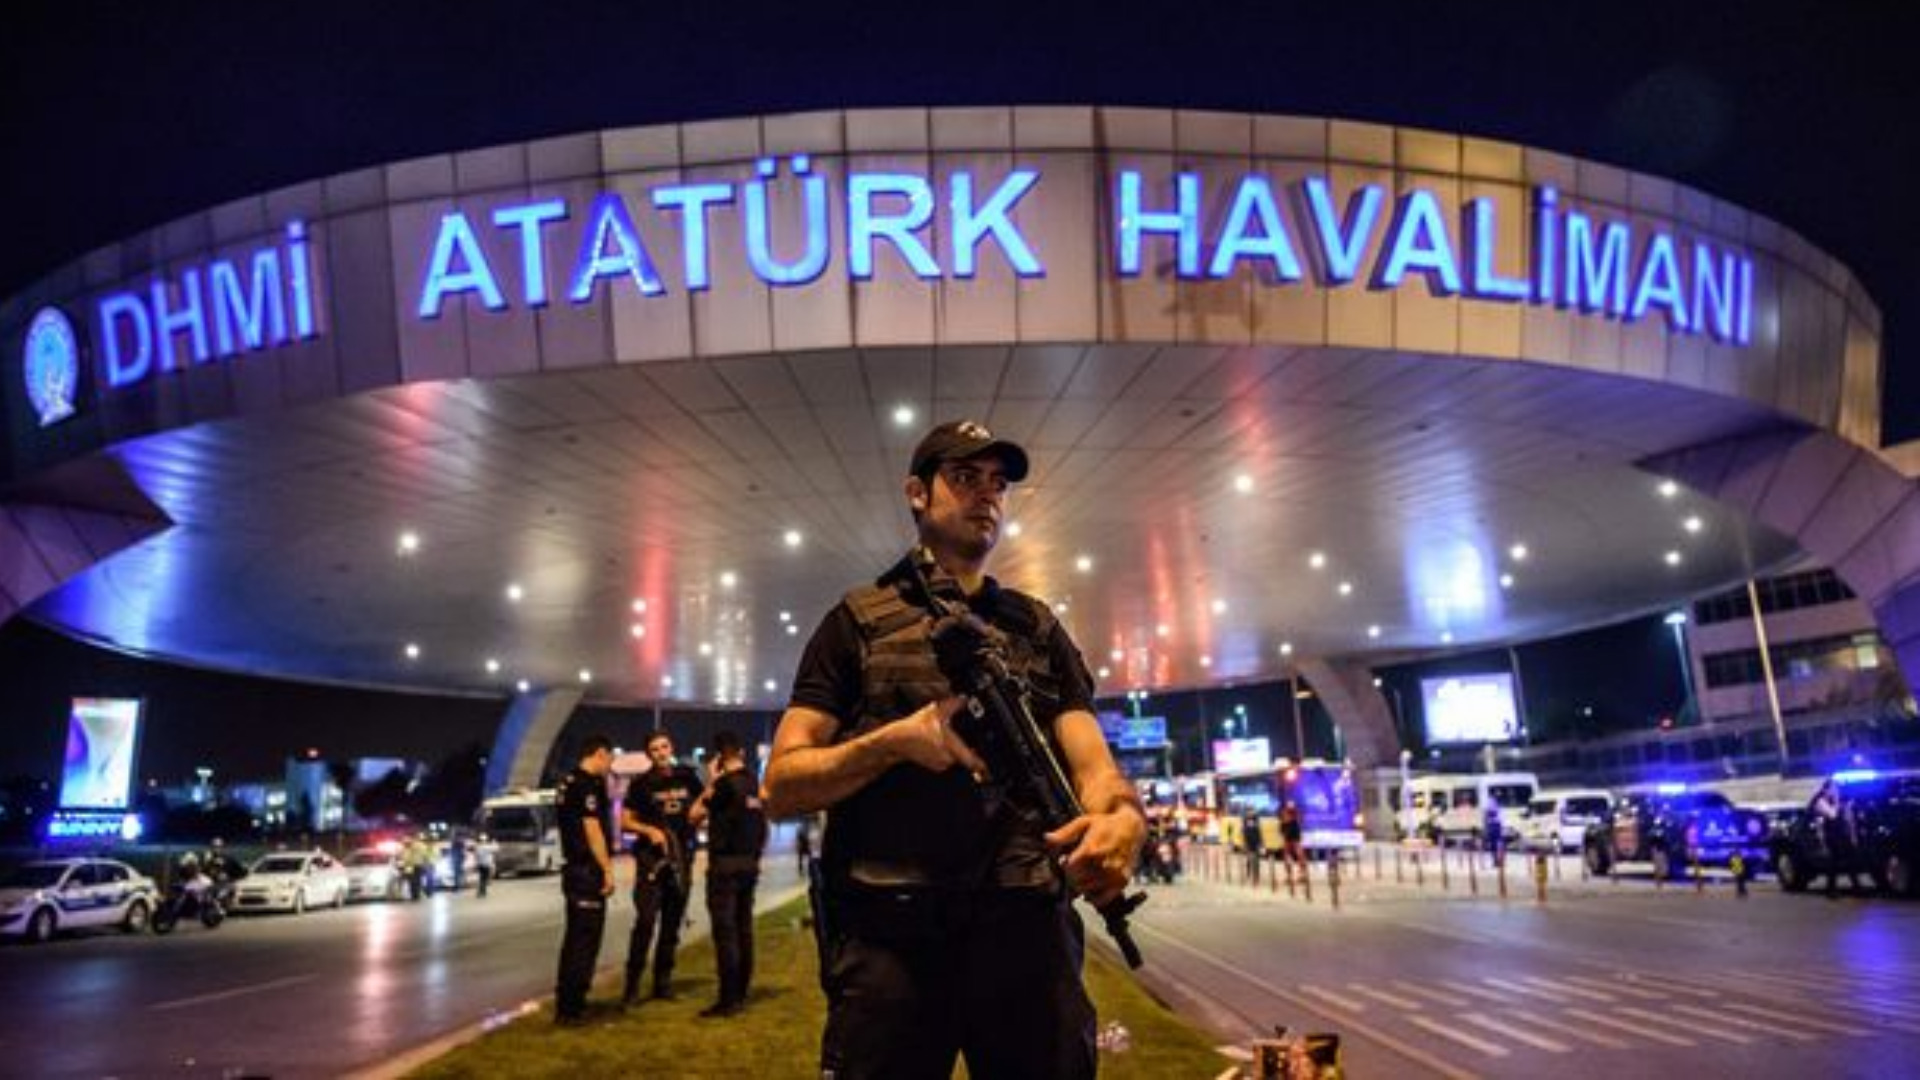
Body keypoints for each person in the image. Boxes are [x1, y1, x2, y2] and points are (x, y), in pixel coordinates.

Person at [764, 419, 1146, 1079]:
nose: (987, 494)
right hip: (894, 941)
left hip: (1024, 934)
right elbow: (781, 786)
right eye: (965, 477)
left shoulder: (1035, 629)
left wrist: (1123, 820)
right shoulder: (856, 624)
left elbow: (1096, 770)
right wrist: (895, 742)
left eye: (997, 483)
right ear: (917, 493)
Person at [689, 730, 767, 1019]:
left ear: (719, 757)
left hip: (724, 867)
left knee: (726, 933)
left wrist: (712, 780)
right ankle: (742, 991)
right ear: (742, 752)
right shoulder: (754, 783)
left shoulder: (723, 785)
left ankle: (728, 999)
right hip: (749, 864)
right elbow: (762, 825)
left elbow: (694, 815)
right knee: (744, 928)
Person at [620, 730, 701, 1006]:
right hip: (651, 861)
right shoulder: (641, 784)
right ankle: (632, 986)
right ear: (648, 754)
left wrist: (698, 820)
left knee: (671, 925)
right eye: (655, 749)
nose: (661, 753)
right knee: (645, 922)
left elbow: (703, 805)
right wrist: (650, 831)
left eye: (664, 747)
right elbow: (625, 821)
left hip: (681, 859)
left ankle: (662, 983)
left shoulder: (687, 777)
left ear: (671, 748)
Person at [553, 734, 616, 1025]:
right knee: (584, 941)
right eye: (610, 758)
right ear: (600, 753)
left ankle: (571, 1003)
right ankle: (571, 1009)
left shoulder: (567, 782)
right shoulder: (586, 785)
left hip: (574, 870)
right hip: (586, 871)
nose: (610, 765)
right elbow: (592, 829)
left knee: (576, 940)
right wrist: (607, 869)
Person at [1807, 779, 1862, 897]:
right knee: (1833, 862)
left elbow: (1848, 818)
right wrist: (1836, 801)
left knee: (1851, 861)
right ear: (1825, 789)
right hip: (1831, 835)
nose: (1836, 790)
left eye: (1836, 788)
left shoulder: (1838, 800)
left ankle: (1856, 888)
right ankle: (1831, 889)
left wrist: (1853, 835)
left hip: (1842, 834)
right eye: (1833, 788)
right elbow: (1832, 815)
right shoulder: (1820, 801)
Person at [1279, 802, 1306, 884]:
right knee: (1286, 856)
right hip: (1287, 839)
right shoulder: (1284, 815)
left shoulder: (1296, 816)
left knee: (1300, 854)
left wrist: (1295, 817)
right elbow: (1281, 829)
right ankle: (1289, 876)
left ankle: (1302, 874)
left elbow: (1300, 821)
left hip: (1295, 838)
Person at [1242, 806, 1265, 884]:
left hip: (1256, 842)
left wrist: (1261, 843)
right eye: (1249, 811)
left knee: (1256, 860)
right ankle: (1249, 873)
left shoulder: (1256, 820)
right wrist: (1245, 843)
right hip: (1248, 842)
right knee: (1249, 859)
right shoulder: (1245, 820)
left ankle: (1256, 876)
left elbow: (1259, 832)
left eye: (1251, 811)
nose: (1250, 813)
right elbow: (1244, 832)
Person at [472, 832, 496, 898]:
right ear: (485, 840)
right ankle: (482, 892)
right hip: (486, 865)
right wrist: (494, 842)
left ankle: (482, 892)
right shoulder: (486, 847)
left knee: (481, 879)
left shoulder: (478, 847)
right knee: (484, 879)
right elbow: (496, 849)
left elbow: (476, 856)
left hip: (480, 864)